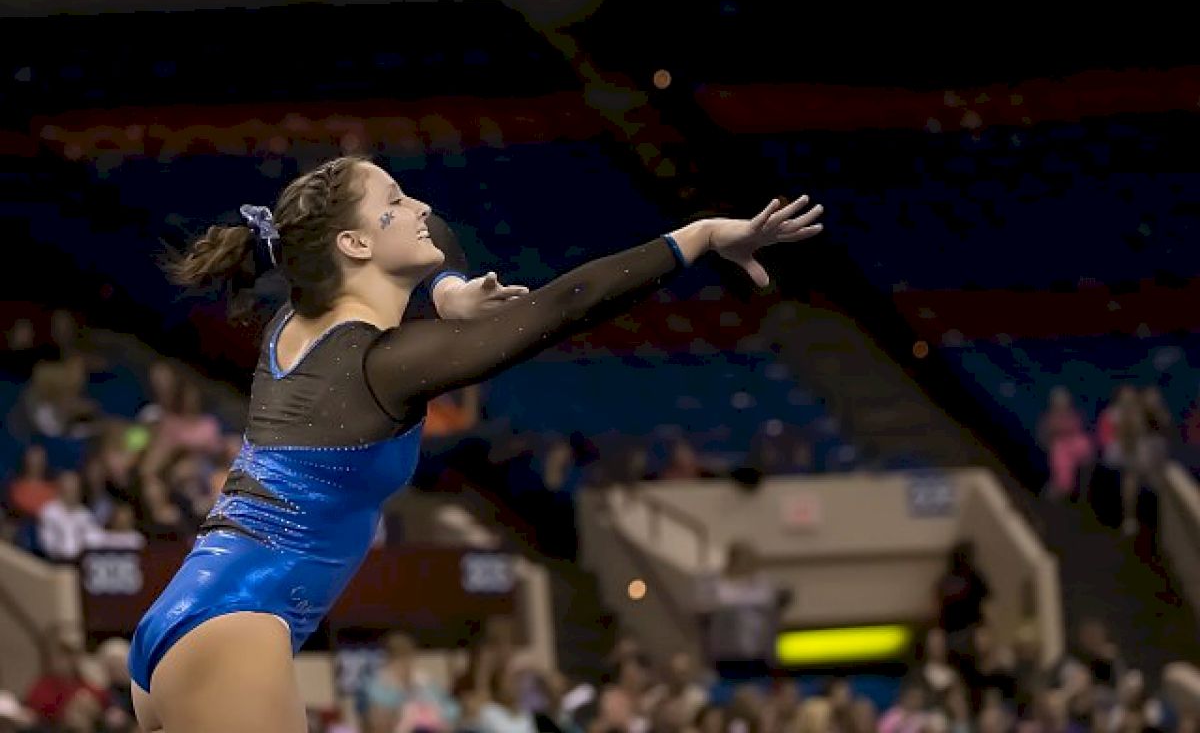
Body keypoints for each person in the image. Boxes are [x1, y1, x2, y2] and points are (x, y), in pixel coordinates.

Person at [126, 155, 824, 733]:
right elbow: (562, 307)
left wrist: (449, 286)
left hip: (191, 624)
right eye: (396, 202)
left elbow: (443, 239)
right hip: (234, 633)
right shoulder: (382, 364)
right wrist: (698, 236)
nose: (422, 206)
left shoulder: (294, 324)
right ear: (356, 245)